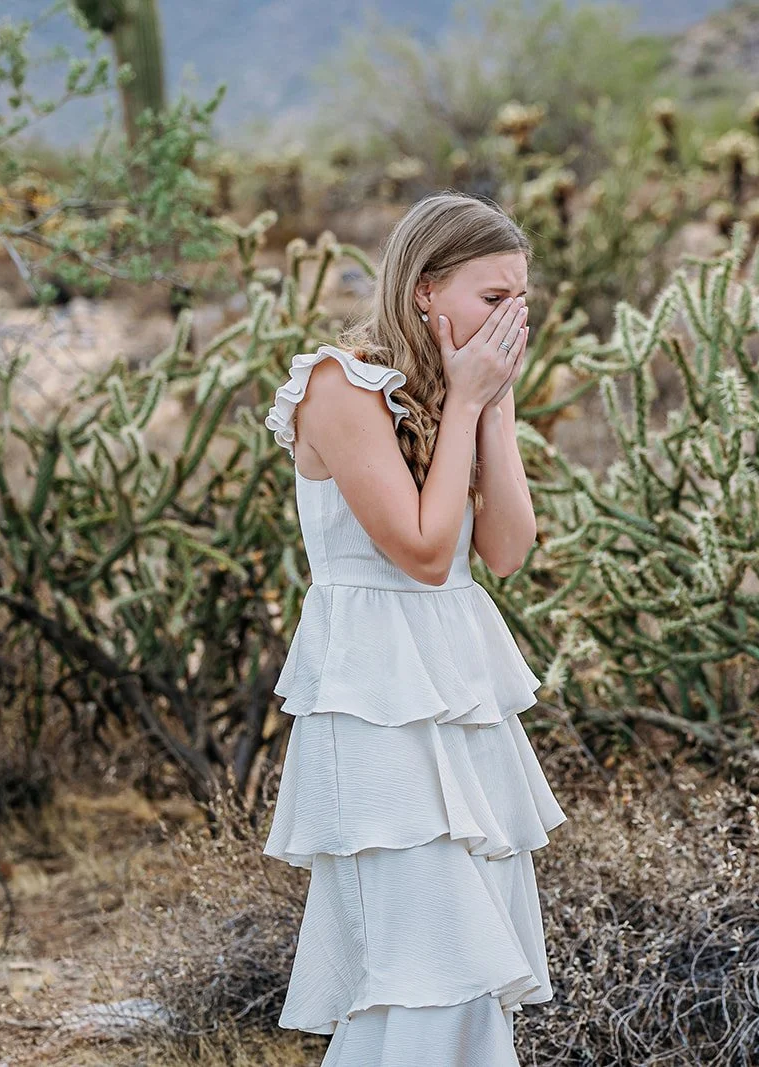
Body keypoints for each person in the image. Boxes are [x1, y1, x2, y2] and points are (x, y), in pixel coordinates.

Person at [258, 192, 566, 1067]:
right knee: (424, 960)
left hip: (460, 692)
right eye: (491, 297)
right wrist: (467, 403)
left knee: (473, 964)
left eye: (521, 301)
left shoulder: (456, 400)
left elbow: (501, 550)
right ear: (427, 290)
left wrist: (493, 406)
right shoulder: (338, 386)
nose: (511, 319)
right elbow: (426, 553)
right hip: (375, 699)